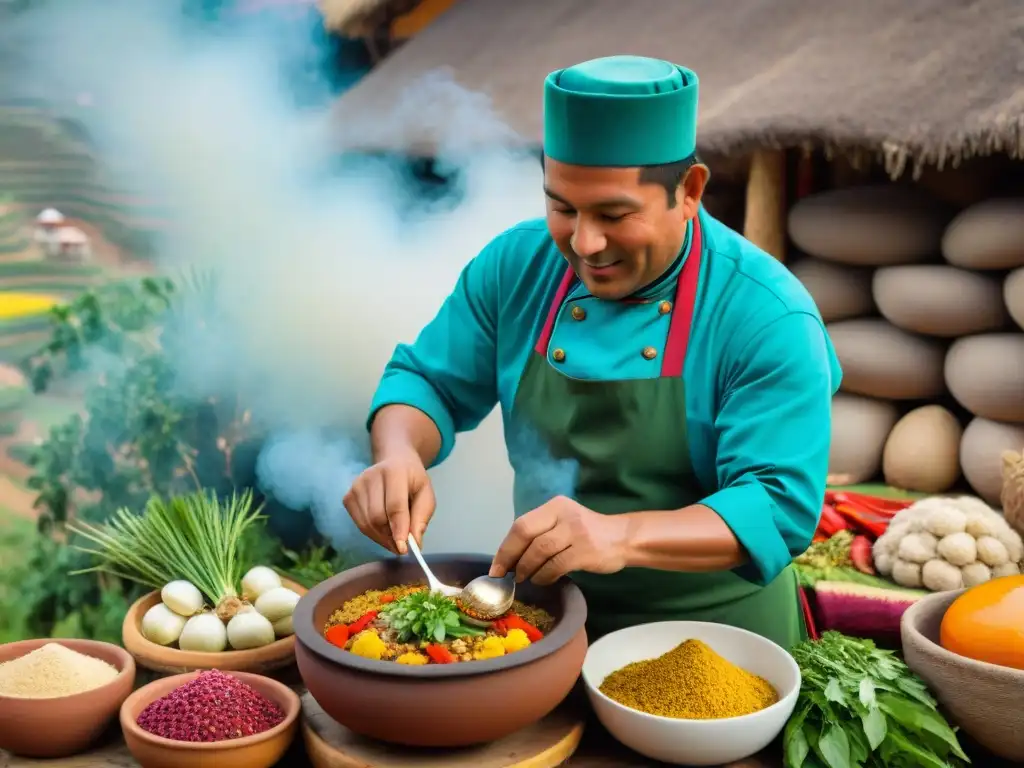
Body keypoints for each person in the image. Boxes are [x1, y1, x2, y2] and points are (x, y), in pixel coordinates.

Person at [342, 55, 842, 648]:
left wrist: (620, 536)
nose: (584, 243)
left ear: (688, 192)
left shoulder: (765, 315)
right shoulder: (516, 265)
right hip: (536, 629)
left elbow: (776, 507)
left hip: (715, 646)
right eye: (562, 207)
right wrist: (398, 453)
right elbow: (427, 382)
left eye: (613, 215)